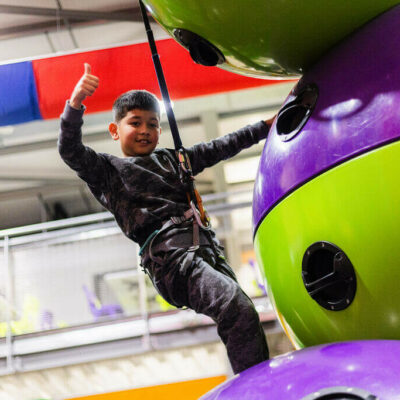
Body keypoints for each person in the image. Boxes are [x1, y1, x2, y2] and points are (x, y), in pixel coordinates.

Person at [59, 63, 275, 374]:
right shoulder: (108, 172)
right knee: (235, 307)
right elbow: (70, 150)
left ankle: (254, 381)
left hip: (206, 252)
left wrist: (267, 125)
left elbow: (222, 146)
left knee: (244, 313)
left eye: (152, 124)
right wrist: (76, 103)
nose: (145, 130)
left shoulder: (176, 160)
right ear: (115, 130)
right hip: (172, 261)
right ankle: (259, 391)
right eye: (135, 123)